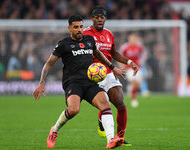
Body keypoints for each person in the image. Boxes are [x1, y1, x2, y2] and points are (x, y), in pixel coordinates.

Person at [32, 15, 126, 149]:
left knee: (105, 104)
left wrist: (112, 68)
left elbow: (98, 53)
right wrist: (42, 83)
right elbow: (48, 64)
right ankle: (54, 130)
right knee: (74, 110)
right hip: (73, 82)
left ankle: (111, 139)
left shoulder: (89, 40)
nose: (79, 30)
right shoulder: (63, 44)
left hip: (90, 82)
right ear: (69, 28)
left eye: (81, 27)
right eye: (76, 27)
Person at [83, 6, 139, 145]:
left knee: (120, 103)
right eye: (96, 17)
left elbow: (114, 54)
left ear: (105, 19)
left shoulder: (109, 34)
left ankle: (120, 137)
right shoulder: (85, 34)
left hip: (108, 73)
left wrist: (129, 62)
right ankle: (102, 119)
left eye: (102, 17)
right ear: (92, 19)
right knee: (105, 104)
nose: (99, 19)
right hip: (92, 75)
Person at [118, 33, 147, 108]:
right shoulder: (125, 47)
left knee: (137, 86)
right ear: (129, 39)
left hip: (138, 68)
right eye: (131, 38)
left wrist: (142, 61)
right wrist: (121, 65)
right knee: (134, 83)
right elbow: (118, 56)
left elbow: (144, 54)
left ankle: (130, 89)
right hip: (129, 69)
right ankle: (134, 100)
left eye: (134, 38)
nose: (133, 40)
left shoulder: (139, 46)